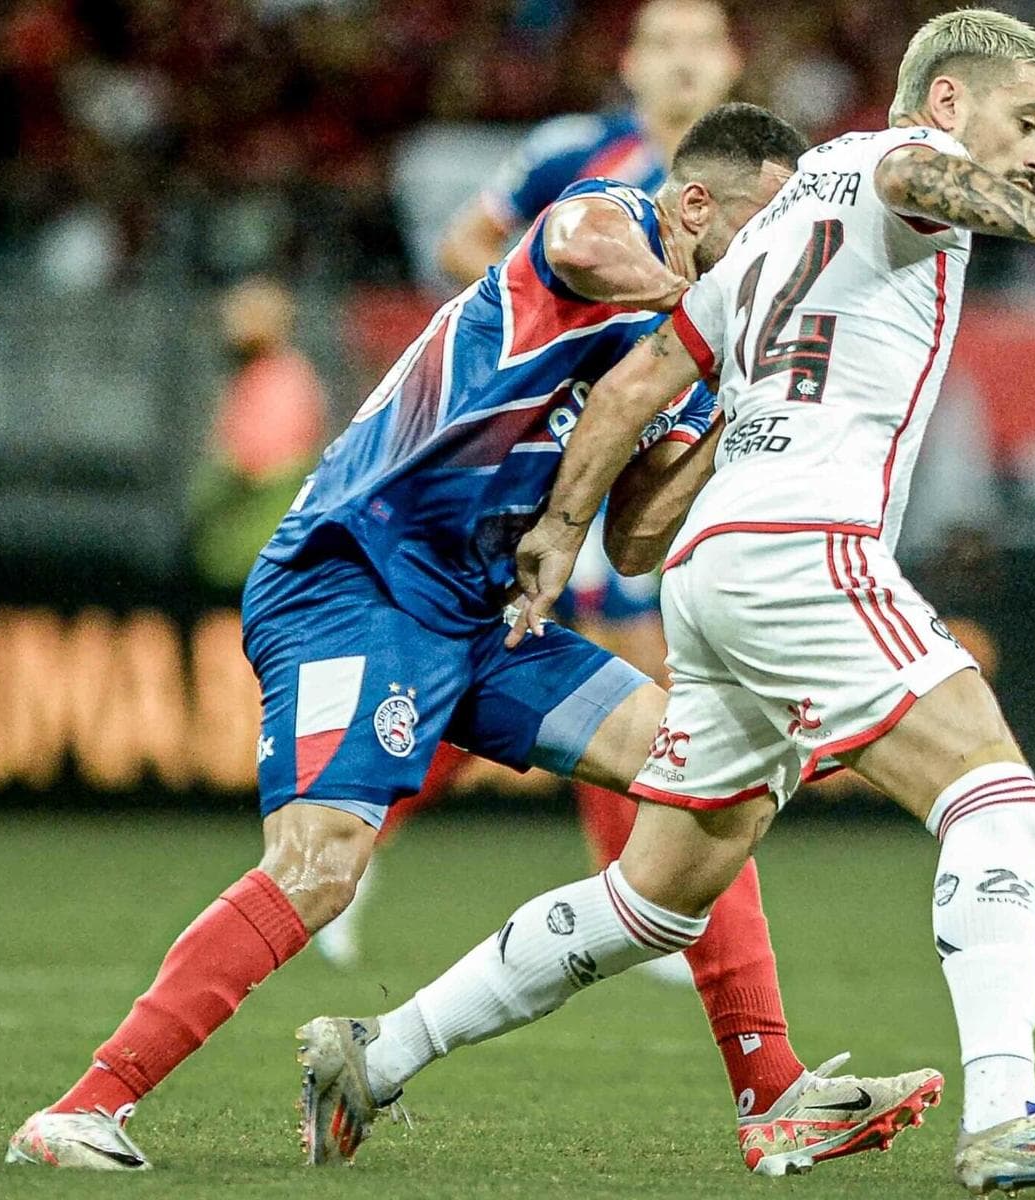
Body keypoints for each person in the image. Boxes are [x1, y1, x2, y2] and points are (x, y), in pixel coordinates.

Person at [295, 11, 1035, 1195]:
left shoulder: (781, 218)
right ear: (952, 103)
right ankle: (1010, 1112)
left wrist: (563, 533)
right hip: (805, 550)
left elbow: (643, 383)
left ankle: (375, 1051)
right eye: (1028, 124)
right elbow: (920, 168)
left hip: (710, 570)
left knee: (655, 894)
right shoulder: (888, 164)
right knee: (997, 799)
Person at [5, 103, 942, 1178]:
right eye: (763, 229)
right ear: (692, 205)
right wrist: (706, 307)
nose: (780, 259)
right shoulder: (605, 222)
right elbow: (579, 244)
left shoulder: (687, 364)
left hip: (490, 614)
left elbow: (633, 541)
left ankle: (773, 1095)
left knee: (704, 780)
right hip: (355, 579)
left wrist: (735, 412)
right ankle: (83, 1108)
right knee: (319, 869)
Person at [324, 0, 745, 979]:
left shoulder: (748, 183)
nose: (683, 65)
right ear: (631, 64)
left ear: (730, 65)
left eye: (702, 45)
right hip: (555, 444)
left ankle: (358, 840)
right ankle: (634, 903)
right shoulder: (578, 158)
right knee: (615, 660)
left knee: (540, 667)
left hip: (657, 439)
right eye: (664, 45)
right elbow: (463, 247)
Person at [188, 278, 329, 590]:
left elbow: (258, 461)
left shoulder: (283, 378)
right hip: (238, 546)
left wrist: (218, 479)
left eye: (245, 311)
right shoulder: (252, 376)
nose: (231, 322)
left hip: (260, 547)